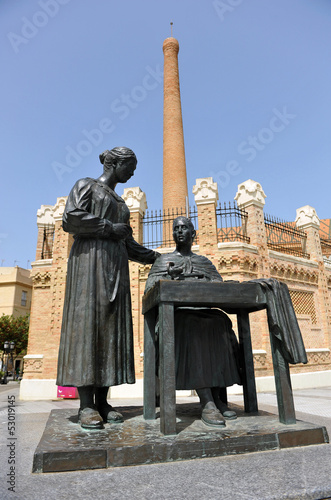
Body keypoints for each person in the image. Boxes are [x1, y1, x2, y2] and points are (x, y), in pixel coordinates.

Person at [56, 147, 159, 429]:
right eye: (131, 166)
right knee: (88, 326)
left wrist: (155, 257)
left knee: (110, 328)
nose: (134, 172)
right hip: (89, 264)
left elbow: (128, 244)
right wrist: (106, 227)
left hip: (116, 268)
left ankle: (103, 401)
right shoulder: (86, 185)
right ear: (117, 164)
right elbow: (71, 218)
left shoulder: (122, 203)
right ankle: (86, 405)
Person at [145, 216, 242, 427]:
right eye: (176, 229)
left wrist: (204, 279)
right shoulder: (163, 261)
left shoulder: (204, 262)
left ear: (193, 234)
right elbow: (149, 290)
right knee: (192, 325)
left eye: (184, 228)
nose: (180, 232)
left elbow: (219, 285)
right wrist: (168, 278)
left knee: (221, 323)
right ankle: (207, 401)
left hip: (205, 314)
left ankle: (217, 398)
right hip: (176, 317)